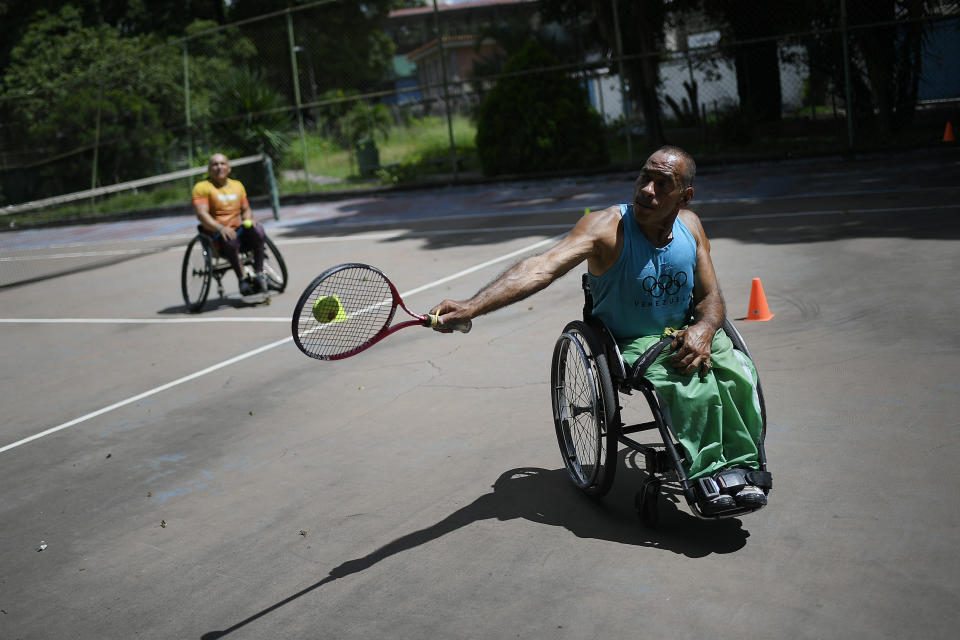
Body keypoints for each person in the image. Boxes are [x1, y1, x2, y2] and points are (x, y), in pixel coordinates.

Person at [430, 145, 766, 513]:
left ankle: (745, 468)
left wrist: (704, 327)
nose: (646, 190)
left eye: (662, 184)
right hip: (633, 343)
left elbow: (711, 296)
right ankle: (709, 474)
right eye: (644, 177)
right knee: (693, 389)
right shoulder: (606, 228)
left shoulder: (691, 226)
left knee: (738, 375)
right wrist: (472, 306)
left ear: (684, 196)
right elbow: (540, 268)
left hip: (692, 331)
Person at [192, 153, 267, 295]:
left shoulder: (237, 185)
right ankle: (243, 279)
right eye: (215, 164)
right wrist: (221, 228)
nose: (219, 167)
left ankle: (259, 274)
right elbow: (202, 214)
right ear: (209, 169)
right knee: (229, 237)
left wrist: (248, 220)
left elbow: (246, 209)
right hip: (216, 235)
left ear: (229, 168)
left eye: (222, 164)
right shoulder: (202, 187)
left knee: (258, 230)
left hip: (239, 231)